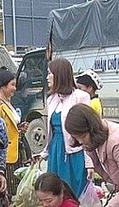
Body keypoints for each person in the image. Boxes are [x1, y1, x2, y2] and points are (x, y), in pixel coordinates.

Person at [42, 58, 92, 197]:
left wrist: (89, 162)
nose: (47, 77)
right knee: (54, 192)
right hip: (55, 151)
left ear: (59, 75)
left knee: (75, 193)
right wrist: (44, 153)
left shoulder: (81, 97)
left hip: (75, 152)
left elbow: (87, 130)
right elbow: (51, 130)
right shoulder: (51, 99)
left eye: (49, 73)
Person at [0, 67, 31, 207]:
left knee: (16, 185)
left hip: (16, 151)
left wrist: (19, 128)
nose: (15, 89)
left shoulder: (8, 104)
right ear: (3, 86)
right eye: (12, 85)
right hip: (7, 152)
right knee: (8, 186)